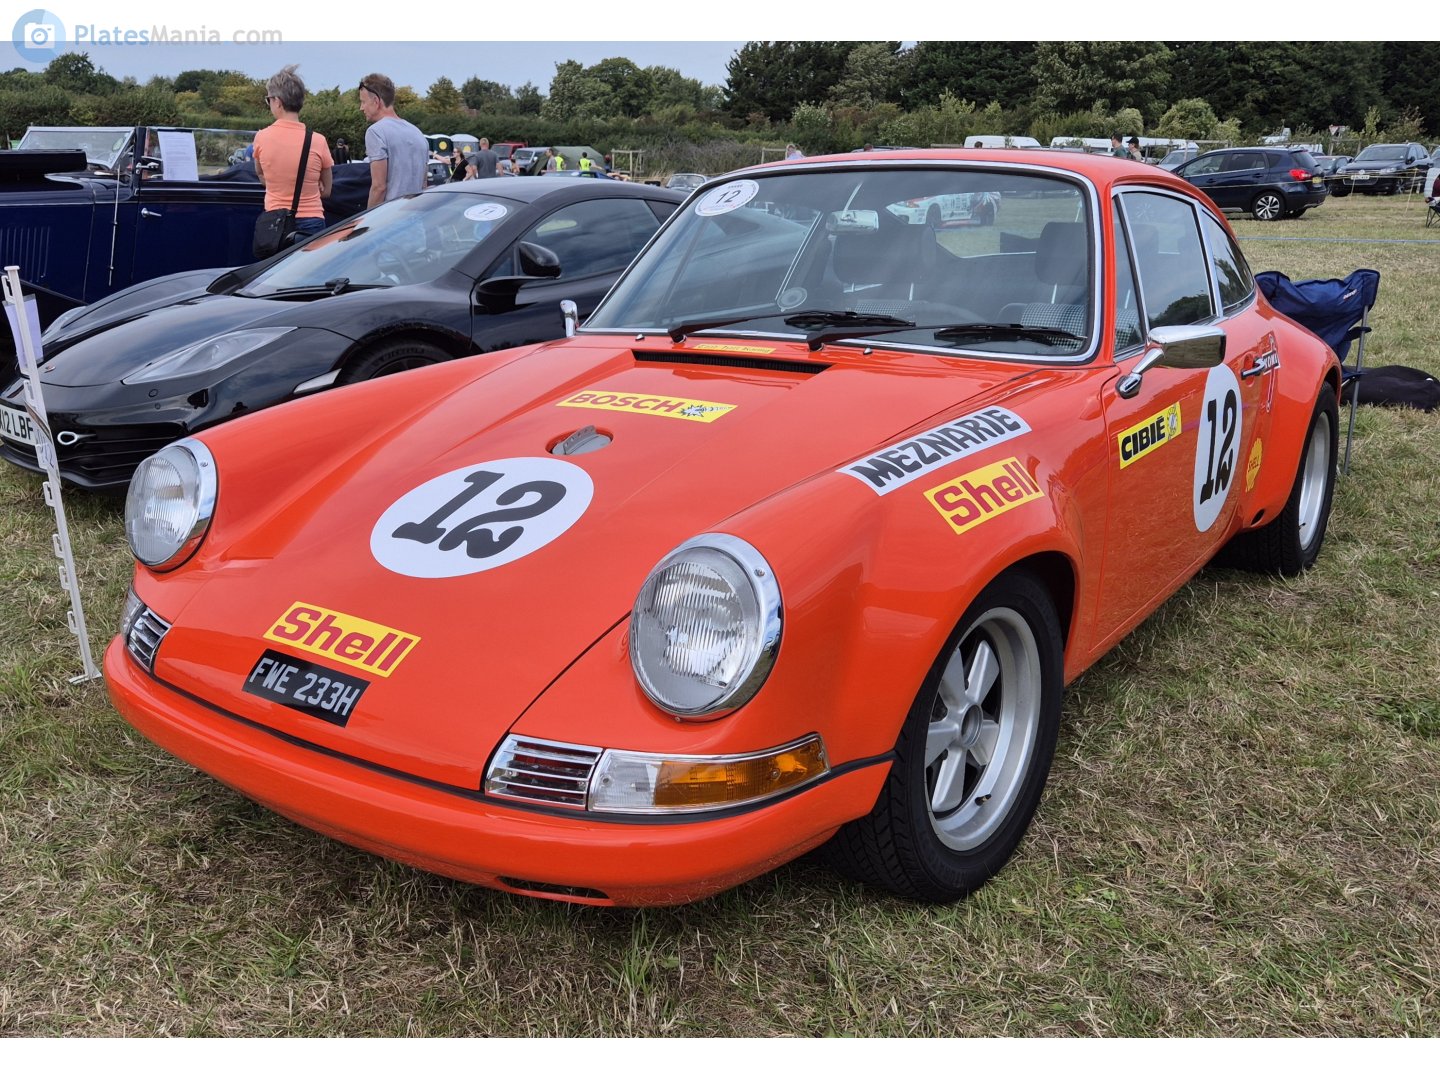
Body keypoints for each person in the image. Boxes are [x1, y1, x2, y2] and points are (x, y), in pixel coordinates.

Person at [252, 64, 334, 250]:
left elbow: (261, 175)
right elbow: (327, 190)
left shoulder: (262, 138)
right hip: (312, 222)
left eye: (268, 100)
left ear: (278, 101)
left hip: (275, 223)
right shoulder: (317, 140)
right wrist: (311, 186)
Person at [358, 72, 428, 206]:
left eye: (363, 102)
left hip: (390, 219)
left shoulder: (376, 132)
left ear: (376, 101)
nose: (361, 108)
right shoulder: (417, 133)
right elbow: (423, 184)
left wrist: (368, 222)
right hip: (415, 218)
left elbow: (379, 187)